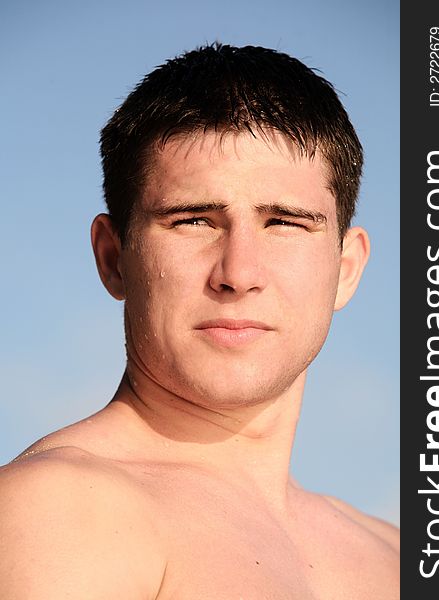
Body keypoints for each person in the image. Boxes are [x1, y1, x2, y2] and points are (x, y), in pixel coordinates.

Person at [0, 43, 399, 598]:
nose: (238, 273)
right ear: (114, 259)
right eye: (192, 220)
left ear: (346, 268)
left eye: (284, 222)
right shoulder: (61, 511)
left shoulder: (395, 558)